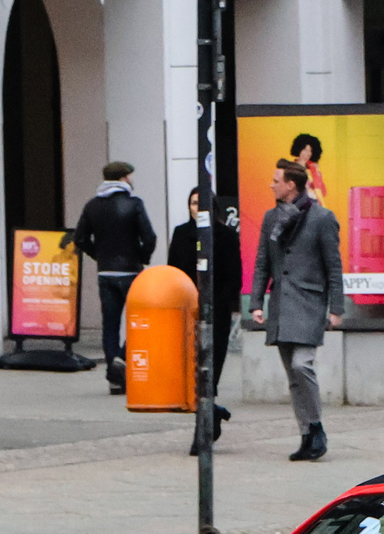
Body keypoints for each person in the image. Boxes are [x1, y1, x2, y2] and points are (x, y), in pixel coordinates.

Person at [250, 159, 343, 461]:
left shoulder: (321, 217)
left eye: (276, 180)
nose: (271, 184)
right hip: (280, 305)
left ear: (291, 185)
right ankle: (306, 434)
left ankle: (316, 427)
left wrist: (336, 307)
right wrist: (255, 302)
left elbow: (334, 266)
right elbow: (263, 262)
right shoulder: (270, 218)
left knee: (303, 365)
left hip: (309, 304)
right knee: (292, 375)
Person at [66, 160, 157, 378]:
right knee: (140, 320)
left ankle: (114, 378)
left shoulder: (92, 205)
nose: (132, 180)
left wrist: (98, 255)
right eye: (130, 176)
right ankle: (122, 357)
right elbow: (150, 237)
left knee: (110, 325)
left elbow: (79, 238)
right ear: (124, 178)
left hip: (105, 273)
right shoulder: (134, 204)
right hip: (131, 272)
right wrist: (142, 257)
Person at [168, 187, 236, 450]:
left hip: (216, 312)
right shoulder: (181, 233)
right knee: (193, 372)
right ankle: (210, 417)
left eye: (202, 203)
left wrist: (221, 303)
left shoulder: (226, 236)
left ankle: (203, 430)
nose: (197, 208)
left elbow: (233, 275)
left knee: (210, 372)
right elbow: (173, 271)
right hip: (187, 313)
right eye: (193, 203)